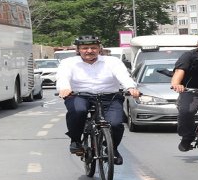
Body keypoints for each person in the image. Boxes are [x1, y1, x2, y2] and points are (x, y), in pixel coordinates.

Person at [56, 35, 141, 165]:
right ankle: (76, 140)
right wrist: (64, 88)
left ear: (99, 49)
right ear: (78, 50)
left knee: (116, 124)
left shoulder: (112, 61)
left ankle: (112, 148)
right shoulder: (68, 62)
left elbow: (123, 76)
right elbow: (63, 77)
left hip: (109, 96)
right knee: (78, 110)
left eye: (93, 48)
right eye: (85, 48)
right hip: (79, 95)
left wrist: (130, 87)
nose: (89, 51)